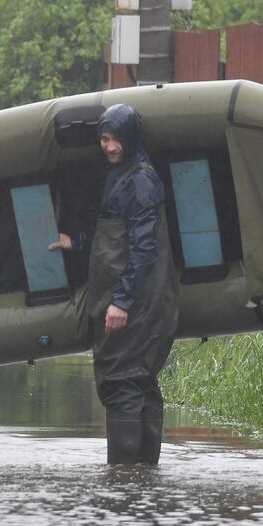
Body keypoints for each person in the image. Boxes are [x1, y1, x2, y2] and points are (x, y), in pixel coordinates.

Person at [50, 103, 179, 465]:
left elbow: (143, 249)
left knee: (121, 383)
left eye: (115, 139)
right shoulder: (123, 175)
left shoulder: (140, 181)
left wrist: (121, 302)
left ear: (131, 138)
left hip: (137, 303)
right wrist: (75, 242)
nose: (108, 146)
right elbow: (115, 235)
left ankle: (123, 481)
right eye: (104, 139)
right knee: (141, 384)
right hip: (142, 299)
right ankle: (143, 478)